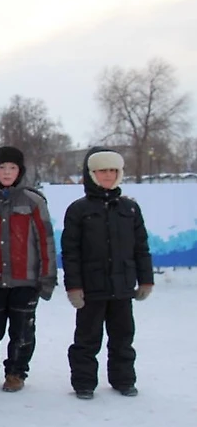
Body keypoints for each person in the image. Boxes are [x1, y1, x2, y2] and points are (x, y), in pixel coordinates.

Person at [61, 147, 154, 400]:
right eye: (103, 170)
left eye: (114, 170)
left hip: (123, 285)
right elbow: (70, 252)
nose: (109, 175)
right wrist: (74, 287)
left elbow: (141, 247)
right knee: (87, 339)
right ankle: (84, 383)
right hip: (91, 288)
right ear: (92, 174)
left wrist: (146, 279)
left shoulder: (130, 208)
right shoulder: (78, 210)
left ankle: (124, 380)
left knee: (123, 337)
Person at [0, 146, 57, 393]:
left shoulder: (34, 202)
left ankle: (16, 372)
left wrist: (47, 278)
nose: (6, 172)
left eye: (12, 168)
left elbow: (45, 242)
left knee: (22, 332)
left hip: (25, 281)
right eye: (1, 168)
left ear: (20, 171)